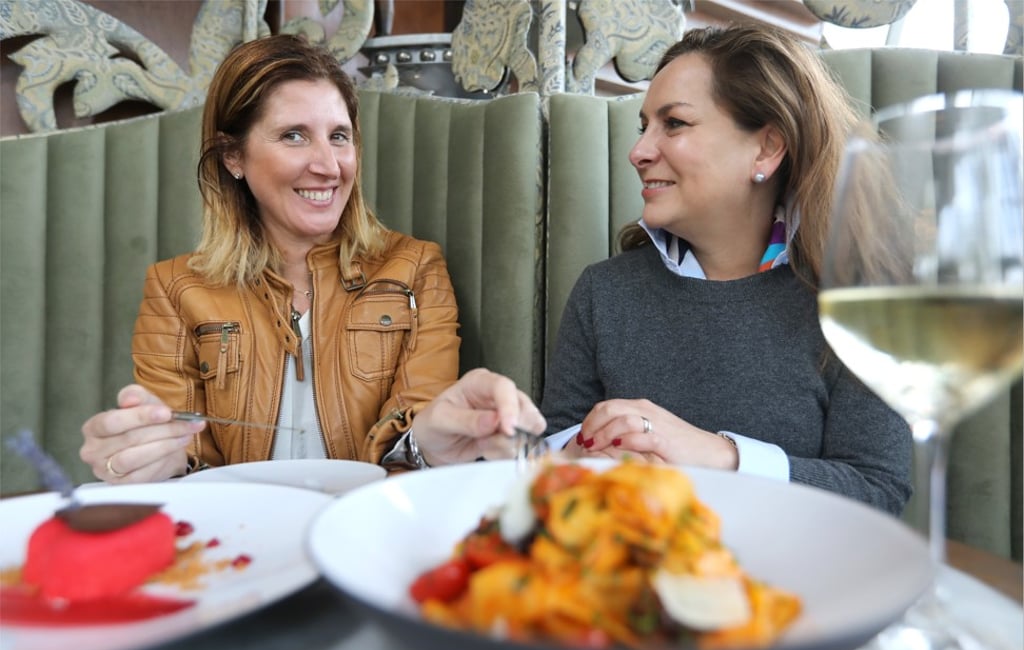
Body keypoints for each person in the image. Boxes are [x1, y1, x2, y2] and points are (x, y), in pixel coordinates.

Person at [79, 34, 543, 483]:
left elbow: (415, 435)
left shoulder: (416, 269)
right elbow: (184, 455)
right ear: (233, 156)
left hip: (366, 519)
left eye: (339, 136)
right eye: (294, 135)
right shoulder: (174, 288)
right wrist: (149, 460)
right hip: (240, 526)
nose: (328, 165)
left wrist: (426, 443)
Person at [540, 24, 912, 515]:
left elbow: (878, 492)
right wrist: (580, 459)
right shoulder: (602, 292)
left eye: (674, 123)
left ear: (767, 148)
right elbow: (546, 458)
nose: (639, 152)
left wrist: (721, 456)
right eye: (643, 127)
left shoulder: (859, 297)